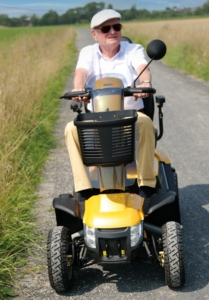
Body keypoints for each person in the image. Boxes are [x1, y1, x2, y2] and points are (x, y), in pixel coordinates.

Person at [65, 9, 156, 199]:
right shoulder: (88, 52)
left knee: (146, 122)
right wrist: (78, 88)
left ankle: (146, 184)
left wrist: (145, 83)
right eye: (106, 28)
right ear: (94, 34)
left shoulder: (133, 50)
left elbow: (142, 68)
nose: (112, 31)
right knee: (70, 129)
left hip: (129, 118)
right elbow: (81, 72)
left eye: (116, 27)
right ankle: (83, 188)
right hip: (97, 119)